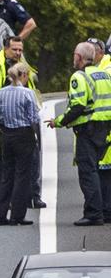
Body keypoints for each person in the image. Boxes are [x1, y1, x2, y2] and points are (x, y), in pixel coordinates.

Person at [46, 42, 111, 225]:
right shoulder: (105, 75)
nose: (73, 58)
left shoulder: (79, 77)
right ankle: (105, 211)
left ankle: (93, 214)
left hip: (88, 129)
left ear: (79, 57)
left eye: (75, 54)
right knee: (99, 172)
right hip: (105, 128)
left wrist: (58, 121)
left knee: (88, 173)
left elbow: (78, 106)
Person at [0, 36, 45, 208]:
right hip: (6, 123)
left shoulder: (23, 65)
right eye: (15, 49)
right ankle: (11, 201)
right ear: (6, 49)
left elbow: (32, 87)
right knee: (9, 167)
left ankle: (34, 196)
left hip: (26, 120)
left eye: (20, 49)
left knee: (33, 160)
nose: (18, 52)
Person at [0, 62, 40, 226]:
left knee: (7, 174)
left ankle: (0, 215)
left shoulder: (1, 93)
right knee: (22, 175)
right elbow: (34, 117)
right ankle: (17, 215)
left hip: (6, 135)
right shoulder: (27, 93)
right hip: (23, 135)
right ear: (24, 75)